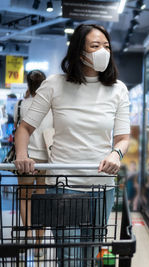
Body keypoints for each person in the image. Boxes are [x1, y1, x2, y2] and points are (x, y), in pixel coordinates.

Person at [14, 24, 130, 266]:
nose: (103, 51)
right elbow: (24, 128)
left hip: (101, 186)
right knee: (69, 258)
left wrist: (116, 154)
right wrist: (23, 155)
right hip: (64, 184)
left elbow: (122, 138)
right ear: (80, 52)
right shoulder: (55, 84)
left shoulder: (118, 89)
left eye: (107, 46)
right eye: (95, 46)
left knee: (92, 255)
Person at [14, 70, 52, 257]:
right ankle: (39, 244)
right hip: (46, 160)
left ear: (28, 85)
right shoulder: (51, 106)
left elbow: (18, 129)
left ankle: (27, 233)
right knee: (41, 200)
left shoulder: (21, 105)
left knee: (24, 197)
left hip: (25, 158)